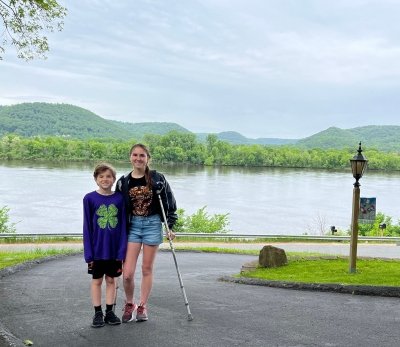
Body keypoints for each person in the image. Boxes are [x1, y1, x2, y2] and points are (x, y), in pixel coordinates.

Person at [116, 143, 177, 323]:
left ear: (147, 158)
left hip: (152, 224)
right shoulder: (123, 182)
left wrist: (170, 226)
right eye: (135, 155)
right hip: (132, 226)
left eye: (142, 155)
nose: (138, 158)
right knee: (127, 273)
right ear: (130, 157)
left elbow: (170, 203)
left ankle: (142, 305)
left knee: (146, 268)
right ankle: (130, 303)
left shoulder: (158, 179)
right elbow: (119, 208)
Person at [83, 163, 127, 328]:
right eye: (101, 176)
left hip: (114, 250)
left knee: (111, 280)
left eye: (108, 176)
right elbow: (87, 226)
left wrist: (121, 251)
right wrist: (89, 253)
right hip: (96, 250)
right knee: (96, 281)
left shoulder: (119, 199)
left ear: (114, 179)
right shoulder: (89, 198)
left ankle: (109, 311)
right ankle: (97, 313)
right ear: (96, 179)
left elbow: (123, 226)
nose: (105, 179)